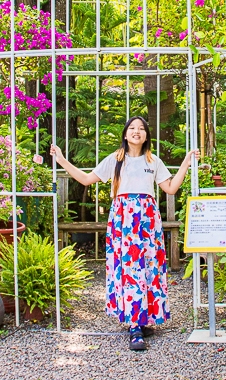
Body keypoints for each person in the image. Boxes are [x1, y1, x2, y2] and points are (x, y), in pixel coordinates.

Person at [50, 116, 198, 351]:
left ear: (147, 135)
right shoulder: (115, 160)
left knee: (149, 266)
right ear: (125, 134)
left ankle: (144, 318)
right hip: (124, 220)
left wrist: (186, 163)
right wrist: (61, 160)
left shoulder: (154, 161)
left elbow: (171, 188)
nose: (136, 132)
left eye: (141, 129)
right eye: (132, 128)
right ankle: (134, 325)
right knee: (129, 269)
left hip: (148, 220)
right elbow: (87, 179)